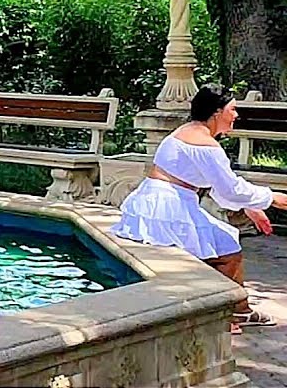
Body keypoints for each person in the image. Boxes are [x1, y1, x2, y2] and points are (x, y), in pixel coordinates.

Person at [112, 84, 287, 334]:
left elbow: (214, 184)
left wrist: (251, 207)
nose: (236, 115)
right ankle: (229, 313)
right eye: (233, 109)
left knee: (222, 242)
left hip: (154, 202)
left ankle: (235, 310)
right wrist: (271, 198)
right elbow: (230, 189)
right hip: (169, 208)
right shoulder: (206, 145)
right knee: (226, 249)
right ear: (217, 112)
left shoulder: (184, 132)